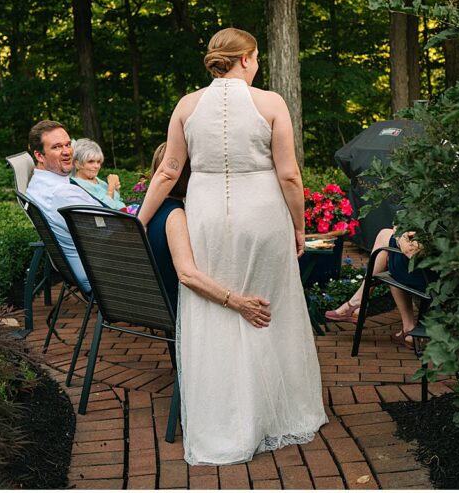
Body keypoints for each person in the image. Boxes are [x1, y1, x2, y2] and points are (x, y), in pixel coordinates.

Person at [137, 27, 327, 466]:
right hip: (263, 219)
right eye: (256, 57)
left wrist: (138, 221)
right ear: (246, 59)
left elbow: (167, 171)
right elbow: (290, 176)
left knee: (215, 311)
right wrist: (299, 226)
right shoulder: (270, 103)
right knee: (269, 312)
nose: (257, 64)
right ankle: (277, 413)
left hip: (204, 218)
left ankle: (226, 417)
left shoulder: (187, 105)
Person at [24, 120, 101, 294]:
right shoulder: (61, 193)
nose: (67, 152)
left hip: (87, 263)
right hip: (100, 271)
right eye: (57, 147)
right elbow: (104, 231)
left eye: (67, 144)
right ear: (39, 156)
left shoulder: (38, 184)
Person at [324, 227, 433, 346]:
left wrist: (399, 236)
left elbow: (411, 250)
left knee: (385, 239)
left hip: (427, 278)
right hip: (435, 273)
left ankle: (357, 303)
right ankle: (357, 304)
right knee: (387, 250)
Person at [142, 142, 190, 312]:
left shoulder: (147, 210)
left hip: (151, 298)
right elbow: (187, 275)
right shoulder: (176, 215)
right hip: (174, 305)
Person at [71, 138, 126, 210]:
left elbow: (116, 200)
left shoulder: (97, 180)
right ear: (77, 164)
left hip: (126, 214)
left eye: (98, 162)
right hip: (116, 219)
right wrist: (111, 187)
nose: (96, 166)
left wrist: (116, 188)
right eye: (91, 162)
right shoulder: (79, 185)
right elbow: (104, 209)